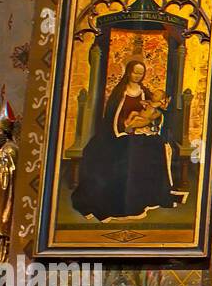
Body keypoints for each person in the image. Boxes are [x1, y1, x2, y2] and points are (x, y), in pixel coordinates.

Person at [70, 59, 179, 221]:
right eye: (135, 72)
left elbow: (155, 111)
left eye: (141, 73)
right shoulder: (120, 91)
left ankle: (147, 195)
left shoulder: (145, 92)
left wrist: (149, 123)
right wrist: (125, 128)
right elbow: (112, 116)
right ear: (128, 72)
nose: (137, 76)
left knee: (156, 146)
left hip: (140, 133)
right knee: (120, 153)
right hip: (118, 135)